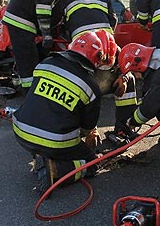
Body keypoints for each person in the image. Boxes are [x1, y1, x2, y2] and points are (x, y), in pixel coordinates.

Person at [12, 30, 117, 194]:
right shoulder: (90, 86)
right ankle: (55, 170)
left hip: (21, 132)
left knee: (53, 132)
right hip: (55, 141)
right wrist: (88, 138)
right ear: (95, 59)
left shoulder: (46, 63)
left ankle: (44, 155)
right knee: (91, 163)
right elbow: (86, 128)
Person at [2, 0, 71, 93]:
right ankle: (29, 92)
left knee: (29, 55)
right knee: (28, 57)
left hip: (20, 19)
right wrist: (46, 34)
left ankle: (28, 86)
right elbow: (43, 8)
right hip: (21, 21)